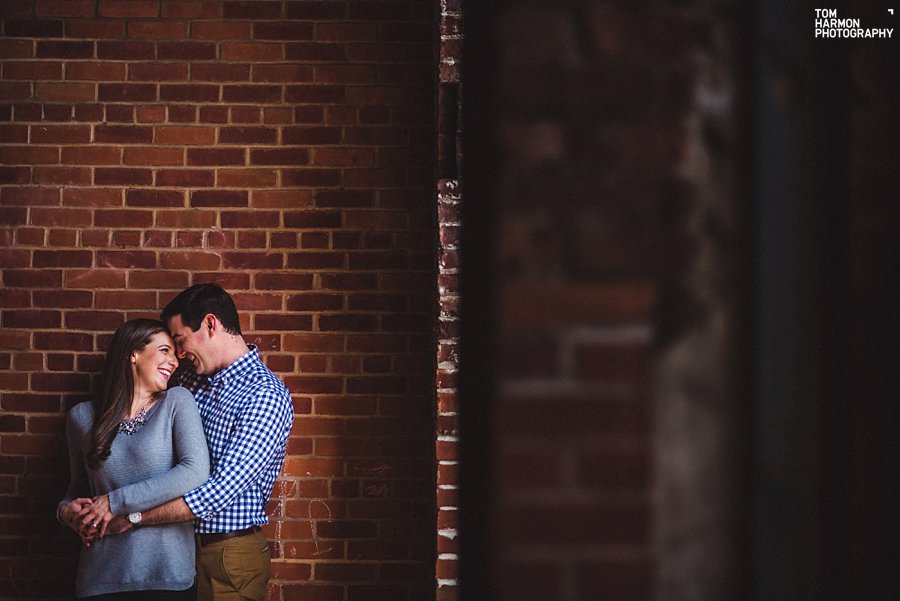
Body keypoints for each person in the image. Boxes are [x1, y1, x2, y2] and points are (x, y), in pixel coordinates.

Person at [80, 283, 294, 601]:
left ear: (210, 324)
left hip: (227, 554)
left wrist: (132, 517)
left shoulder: (264, 395)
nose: (179, 355)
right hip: (179, 550)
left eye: (180, 341)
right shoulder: (192, 379)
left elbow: (216, 492)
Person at [58, 318, 210, 600]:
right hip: (101, 576)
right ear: (133, 354)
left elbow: (195, 471)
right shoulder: (81, 417)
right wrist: (66, 512)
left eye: (175, 355)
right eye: (165, 350)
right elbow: (77, 489)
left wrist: (115, 502)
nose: (174, 362)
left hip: (167, 577)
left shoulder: (177, 402)